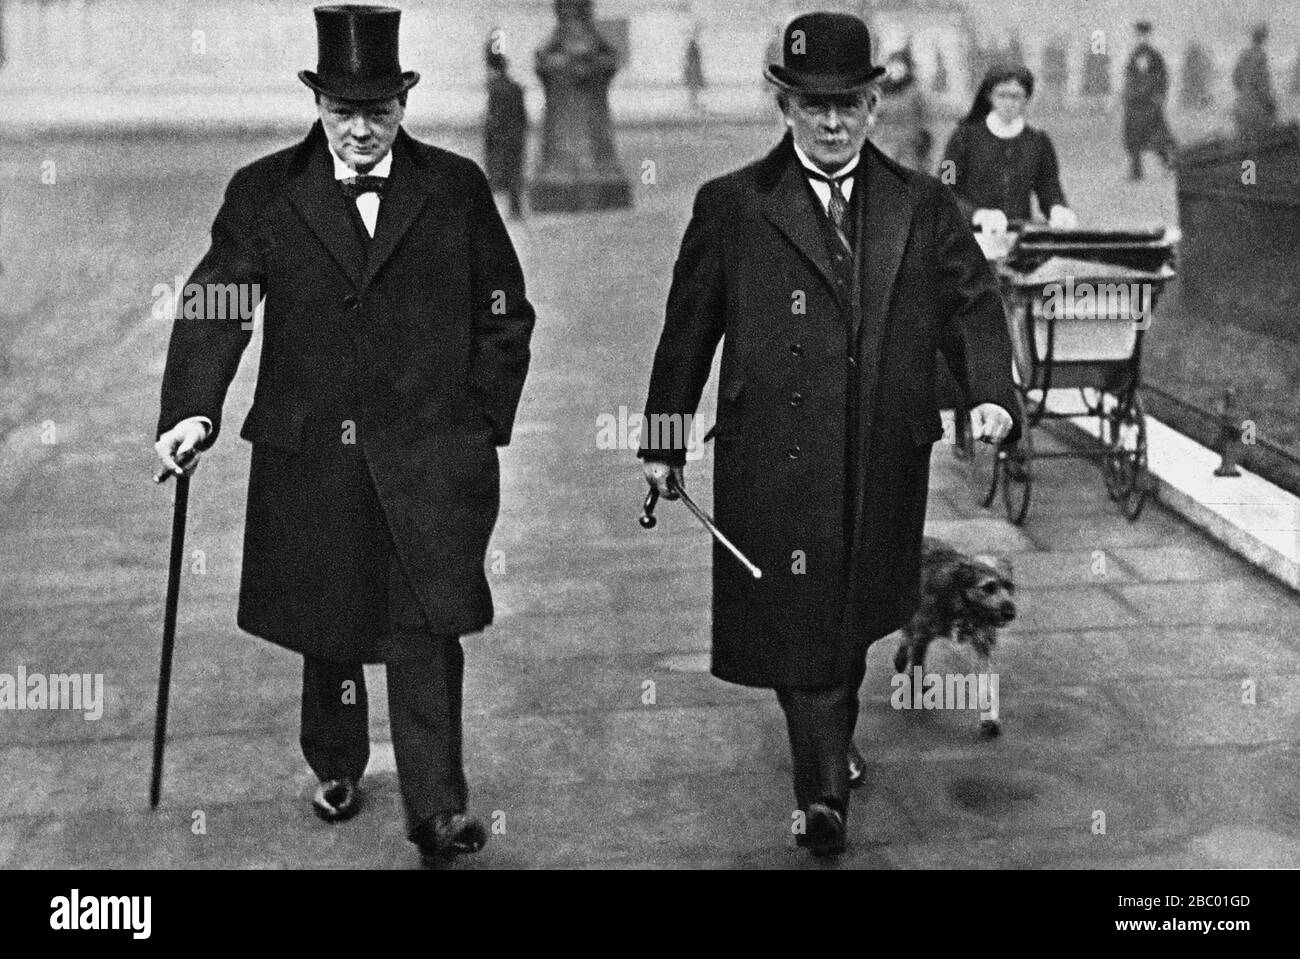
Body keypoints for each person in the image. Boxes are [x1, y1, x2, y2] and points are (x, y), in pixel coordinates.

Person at [153, 4, 535, 867]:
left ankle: (439, 807)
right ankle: (336, 760)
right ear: (317, 105)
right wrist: (190, 411)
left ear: (404, 104)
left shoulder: (455, 188)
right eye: (342, 112)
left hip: (429, 455)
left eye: (379, 111)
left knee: (424, 624)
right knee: (330, 618)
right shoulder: (264, 191)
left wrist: (479, 421)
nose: (361, 131)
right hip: (313, 451)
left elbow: (504, 312)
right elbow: (217, 300)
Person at [637, 12, 1020, 858]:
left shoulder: (924, 204)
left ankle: (828, 732)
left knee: (850, 620)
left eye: (848, 102)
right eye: (813, 105)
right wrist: (664, 438)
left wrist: (992, 393)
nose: (833, 121)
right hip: (773, 457)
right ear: (783, 104)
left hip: (881, 454)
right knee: (799, 616)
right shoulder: (733, 205)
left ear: (876, 101)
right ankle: (821, 795)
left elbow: (974, 303)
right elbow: (685, 331)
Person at [941, 64, 1076, 234]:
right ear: (990, 96)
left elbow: (1049, 187)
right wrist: (977, 215)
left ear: (1026, 98)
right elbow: (944, 190)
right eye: (1002, 95)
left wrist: (1058, 209)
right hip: (970, 236)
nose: (1008, 103)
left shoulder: (1038, 141)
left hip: (1019, 236)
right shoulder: (962, 137)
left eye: (1016, 97)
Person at [1122, 21, 1176, 180]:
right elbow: (1129, 78)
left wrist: (1160, 96)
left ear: (1148, 36)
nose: (1141, 38)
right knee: (1134, 138)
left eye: (1144, 35)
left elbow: (1163, 78)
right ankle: (1136, 171)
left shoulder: (1155, 55)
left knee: (1158, 137)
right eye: (1139, 35)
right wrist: (1127, 95)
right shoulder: (1133, 55)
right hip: (1135, 103)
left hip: (1150, 103)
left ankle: (1169, 165)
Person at [484, 49, 528, 219]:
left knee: (494, 176)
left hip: (499, 140)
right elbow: (523, 116)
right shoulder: (515, 88)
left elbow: (494, 118)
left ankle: (490, 215)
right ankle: (515, 210)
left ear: (493, 69)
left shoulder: (495, 89)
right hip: (516, 139)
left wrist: (491, 136)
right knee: (514, 175)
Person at [1232, 24, 1278, 141]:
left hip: (1242, 106)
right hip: (1257, 109)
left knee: (1244, 142)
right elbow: (1262, 83)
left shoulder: (1244, 55)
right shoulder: (1260, 57)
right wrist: (1269, 102)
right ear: (1263, 39)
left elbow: (1235, 78)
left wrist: (1244, 91)